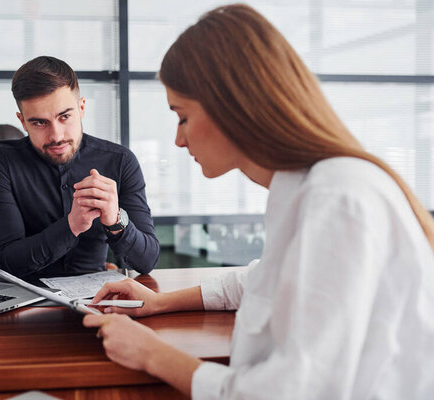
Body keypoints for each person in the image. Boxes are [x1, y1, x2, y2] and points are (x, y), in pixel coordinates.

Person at [83, 4, 434, 399]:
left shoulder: (338, 197)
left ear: (231, 106)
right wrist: (160, 303)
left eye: (181, 117)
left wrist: (152, 354)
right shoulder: (300, 187)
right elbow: (262, 280)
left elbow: (291, 392)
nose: (178, 140)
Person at [0, 56, 159, 280]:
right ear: (22, 121)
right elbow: (6, 263)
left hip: (98, 303)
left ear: (81, 107)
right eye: (39, 122)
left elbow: (147, 261)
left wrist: (115, 220)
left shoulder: (120, 161)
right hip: (23, 304)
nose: (56, 136)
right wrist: (72, 225)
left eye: (65, 117)